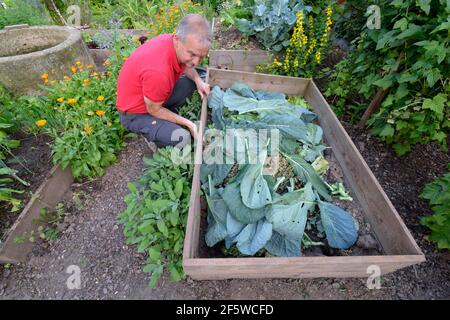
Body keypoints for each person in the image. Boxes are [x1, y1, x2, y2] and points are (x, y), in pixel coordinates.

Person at [116, 14, 212, 150]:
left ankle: (166, 116)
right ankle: (155, 141)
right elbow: (153, 109)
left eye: (200, 56)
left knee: (199, 78)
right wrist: (190, 124)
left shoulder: (173, 42)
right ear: (178, 40)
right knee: (181, 138)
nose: (196, 61)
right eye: (192, 54)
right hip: (136, 113)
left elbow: (187, 65)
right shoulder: (159, 71)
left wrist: (198, 81)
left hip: (152, 96)